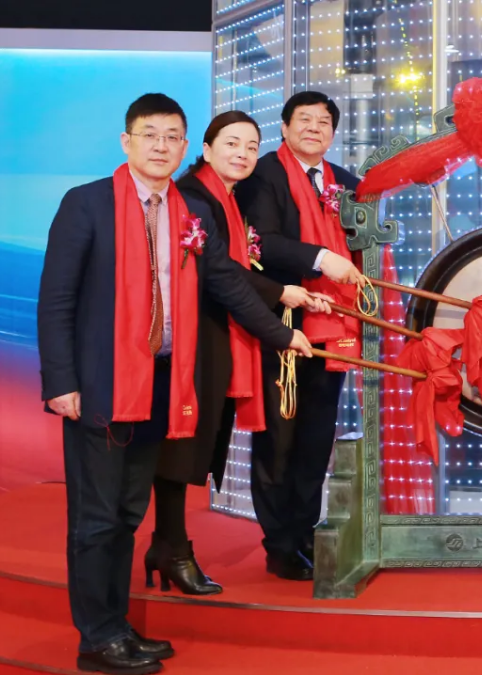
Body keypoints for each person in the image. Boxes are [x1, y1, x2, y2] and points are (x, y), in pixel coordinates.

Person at [38, 94, 314, 674]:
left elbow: (228, 282)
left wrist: (281, 335)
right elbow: (57, 299)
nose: (161, 146)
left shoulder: (189, 215)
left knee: (126, 514)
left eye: (171, 137)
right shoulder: (86, 203)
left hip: (162, 385)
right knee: (96, 518)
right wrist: (61, 381)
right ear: (127, 142)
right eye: (150, 135)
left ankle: (116, 627)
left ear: (185, 146)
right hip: (101, 386)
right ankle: (97, 640)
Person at [146, 111, 333, 595]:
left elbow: (230, 269)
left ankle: (167, 544)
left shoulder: (224, 198)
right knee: (180, 444)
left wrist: (283, 294)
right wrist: (279, 314)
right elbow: (220, 273)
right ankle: (171, 547)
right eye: (232, 143)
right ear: (206, 149)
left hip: (217, 334)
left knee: (191, 444)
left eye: (251, 146)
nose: (243, 154)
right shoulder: (195, 199)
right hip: (194, 339)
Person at [235, 90, 364, 581]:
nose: (314, 127)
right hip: (281, 322)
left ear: (333, 133)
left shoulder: (345, 183)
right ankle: (279, 543)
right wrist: (321, 258)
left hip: (334, 325)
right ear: (285, 128)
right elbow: (260, 243)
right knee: (279, 437)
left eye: (324, 121)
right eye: (304, 119)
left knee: (316, 437)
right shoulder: (264, 174)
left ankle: (306, 531)